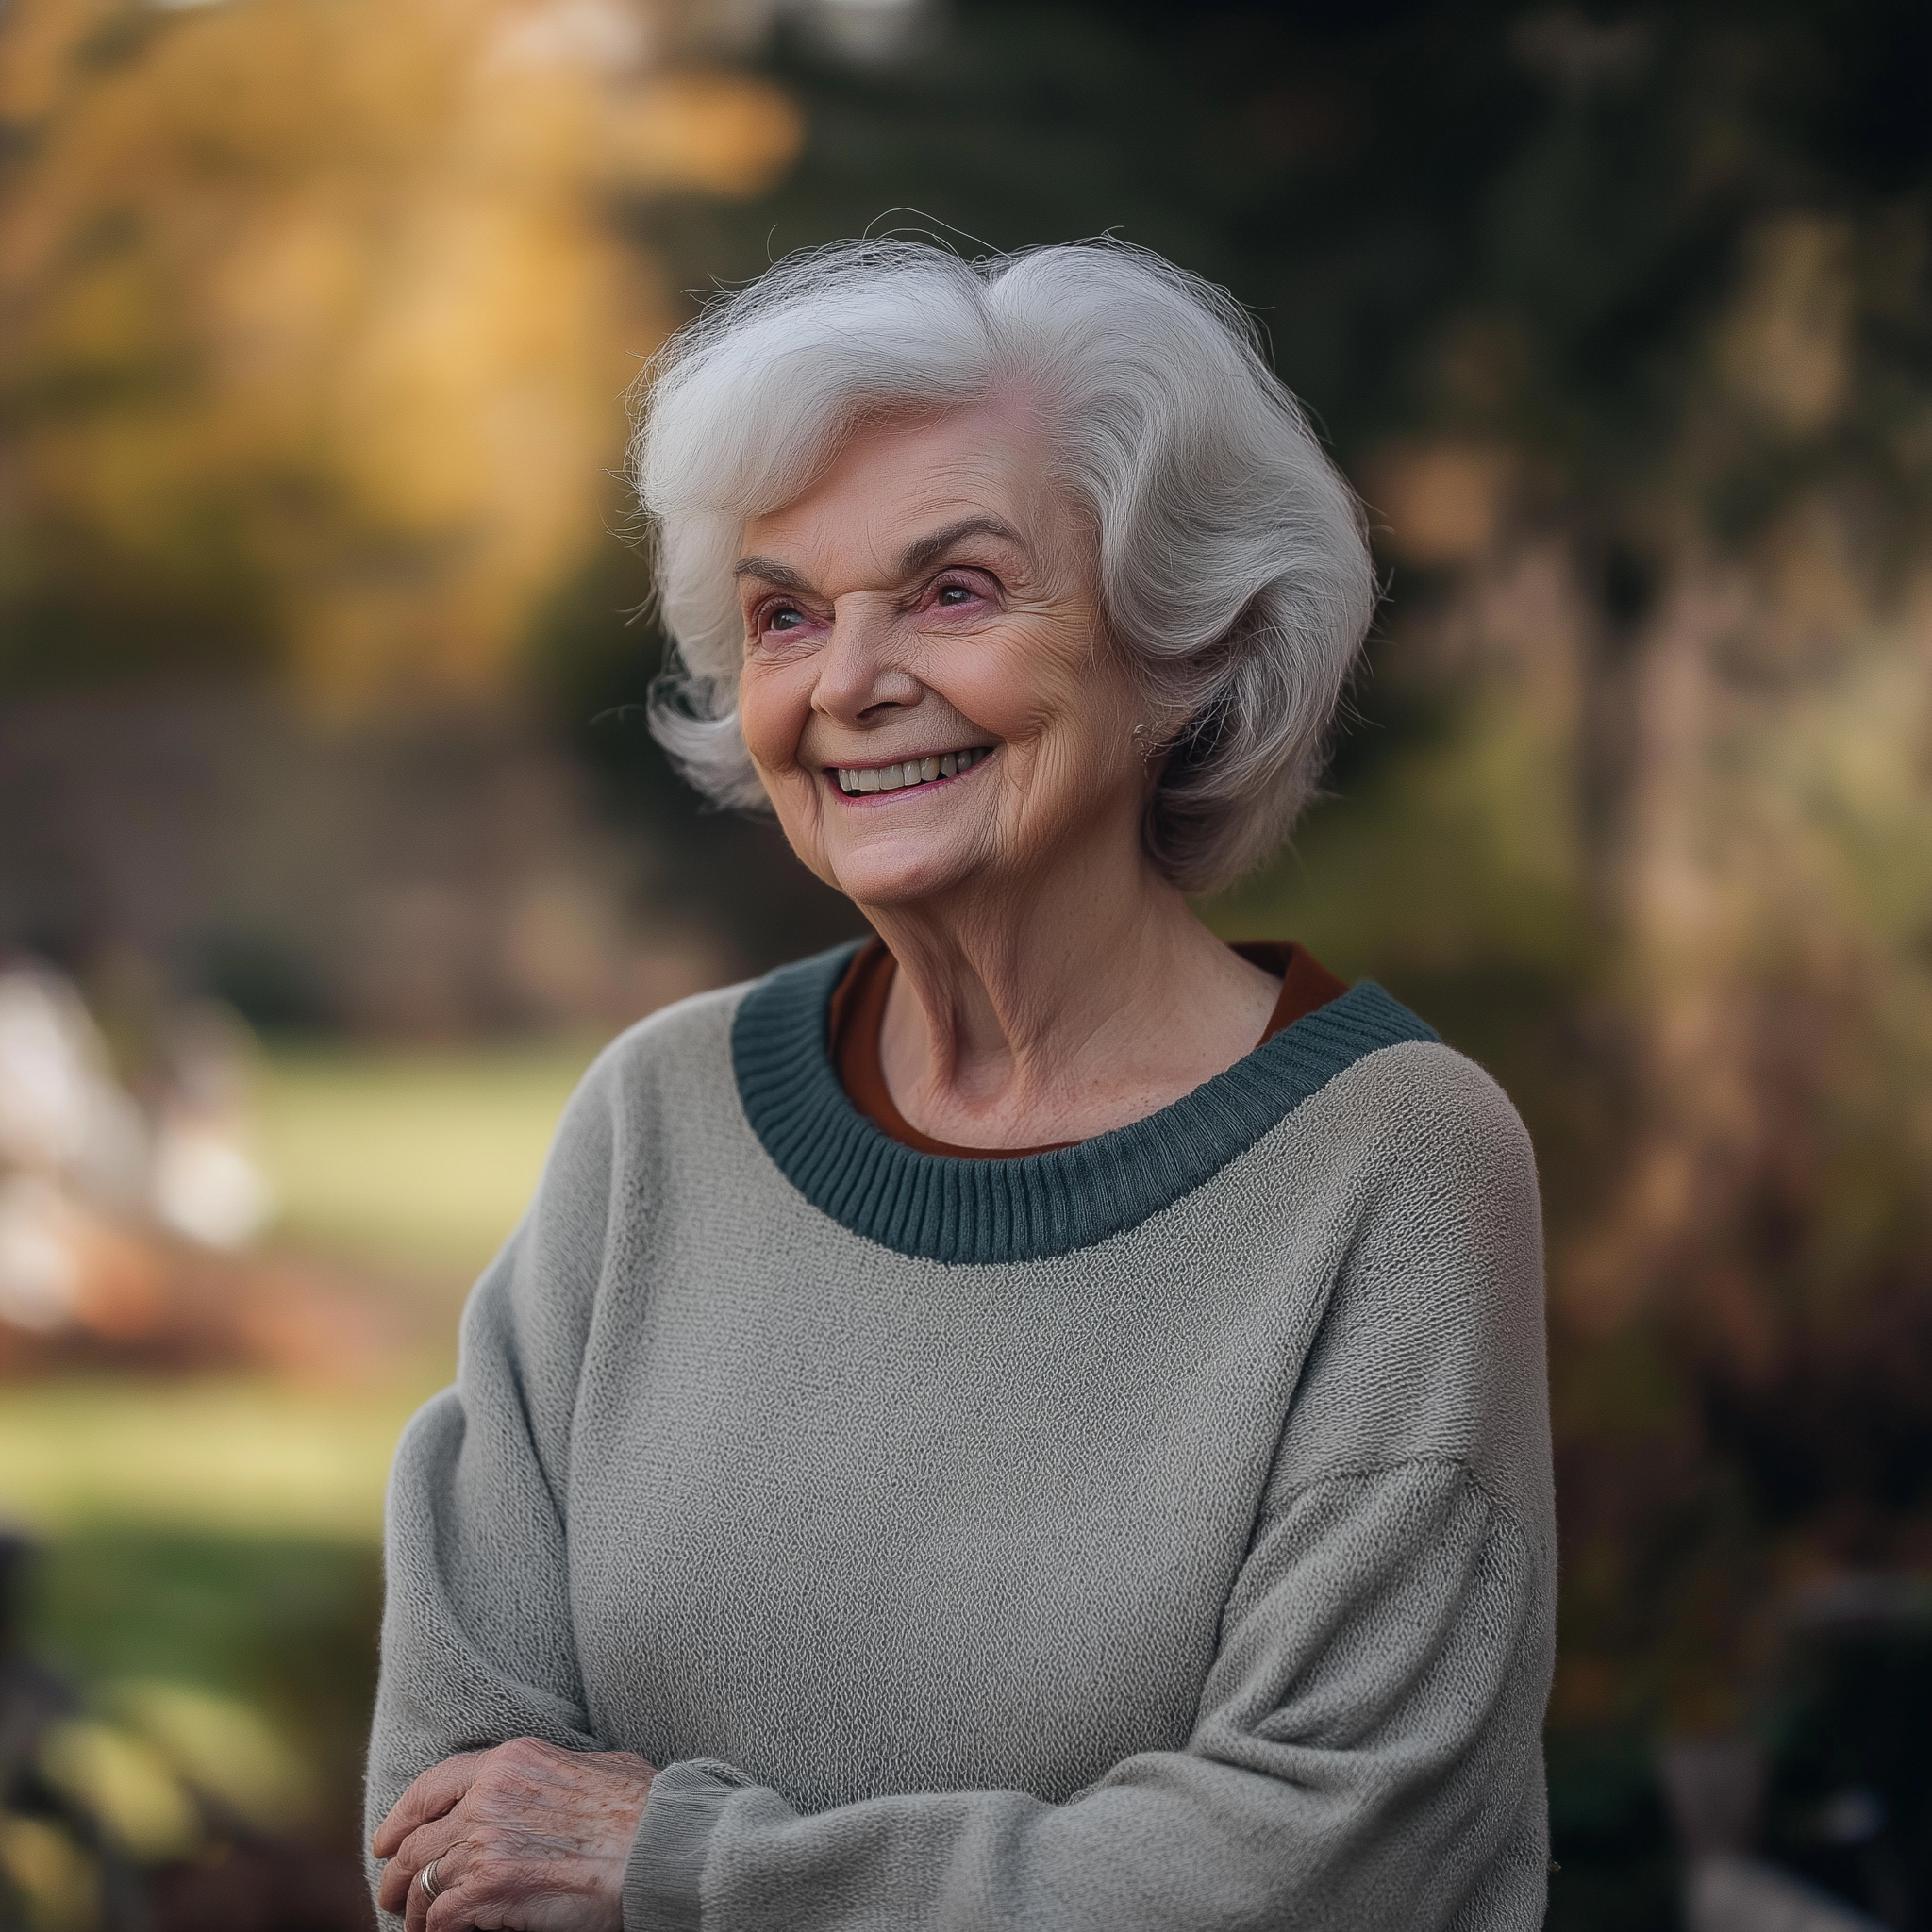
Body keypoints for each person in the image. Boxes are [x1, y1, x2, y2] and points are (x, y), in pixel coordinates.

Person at [366, 238, 1555, 1932]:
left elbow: (1319, 1869)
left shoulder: (1389, 1166)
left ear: (1182, 644)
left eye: (955, 590)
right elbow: (452, 1820)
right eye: (786, 614)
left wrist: (681, 1870)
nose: (848, 684)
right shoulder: (656, 1125)